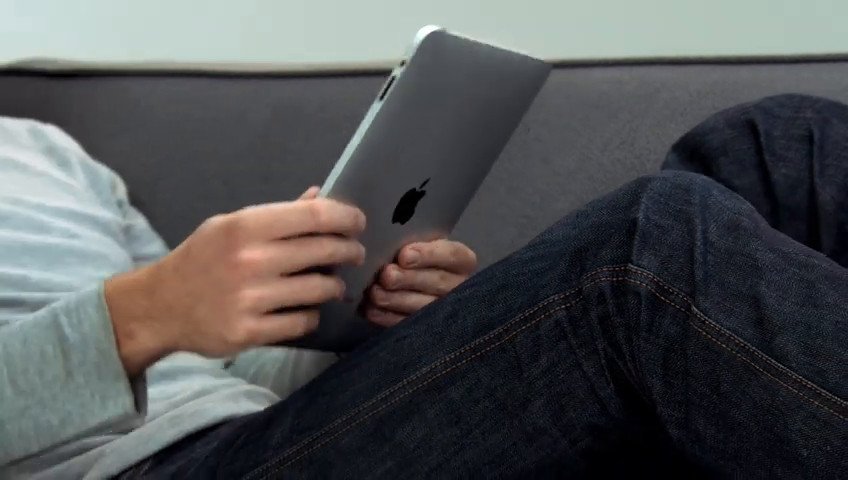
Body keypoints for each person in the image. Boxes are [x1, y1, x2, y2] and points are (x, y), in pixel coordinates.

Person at [0, 94, 845, 479]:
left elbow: (210, 368)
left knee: (776, 146)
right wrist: (144, 313)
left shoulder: (45, 150)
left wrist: (355, 318)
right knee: (638, 257)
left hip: (267, 436)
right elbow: (154, 323)